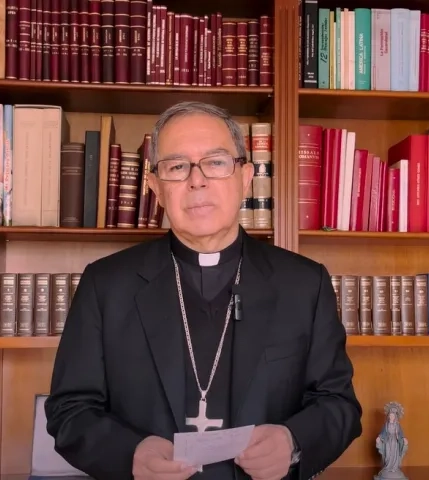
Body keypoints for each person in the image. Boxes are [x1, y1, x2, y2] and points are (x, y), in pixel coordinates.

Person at [45, 101, 362, 480]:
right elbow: (69, 410)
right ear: (155, 188)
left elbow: (339, 404)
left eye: (215, 162)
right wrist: (129, 454)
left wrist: (294, 441)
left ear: (246, 177)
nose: (197, 180)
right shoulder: (105, 286)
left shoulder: (305, 284)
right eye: (177, 167)